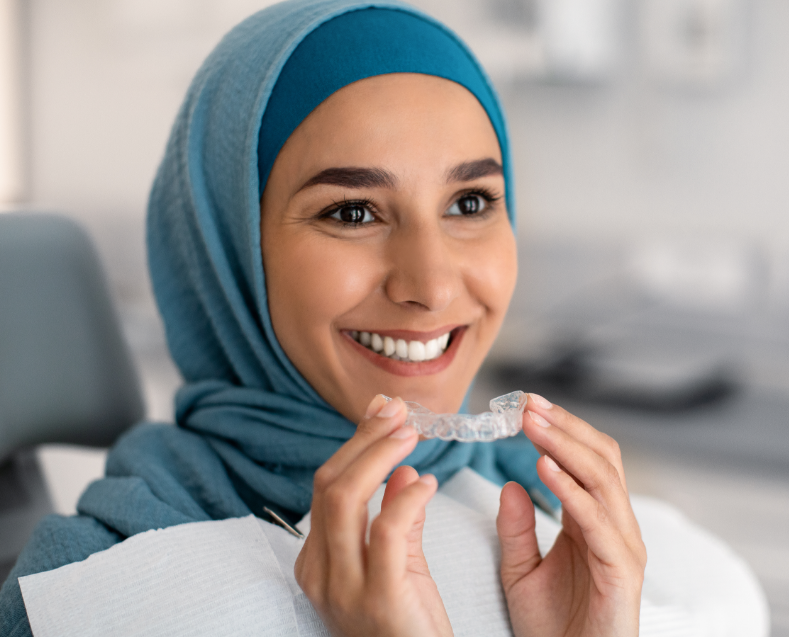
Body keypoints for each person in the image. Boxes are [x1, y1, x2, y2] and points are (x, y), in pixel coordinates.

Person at [0, 1, 646, 635]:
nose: (430, 285)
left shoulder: (563, 526)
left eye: (469, 201)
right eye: (352, 212)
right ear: (230, 250)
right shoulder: (89, 593)